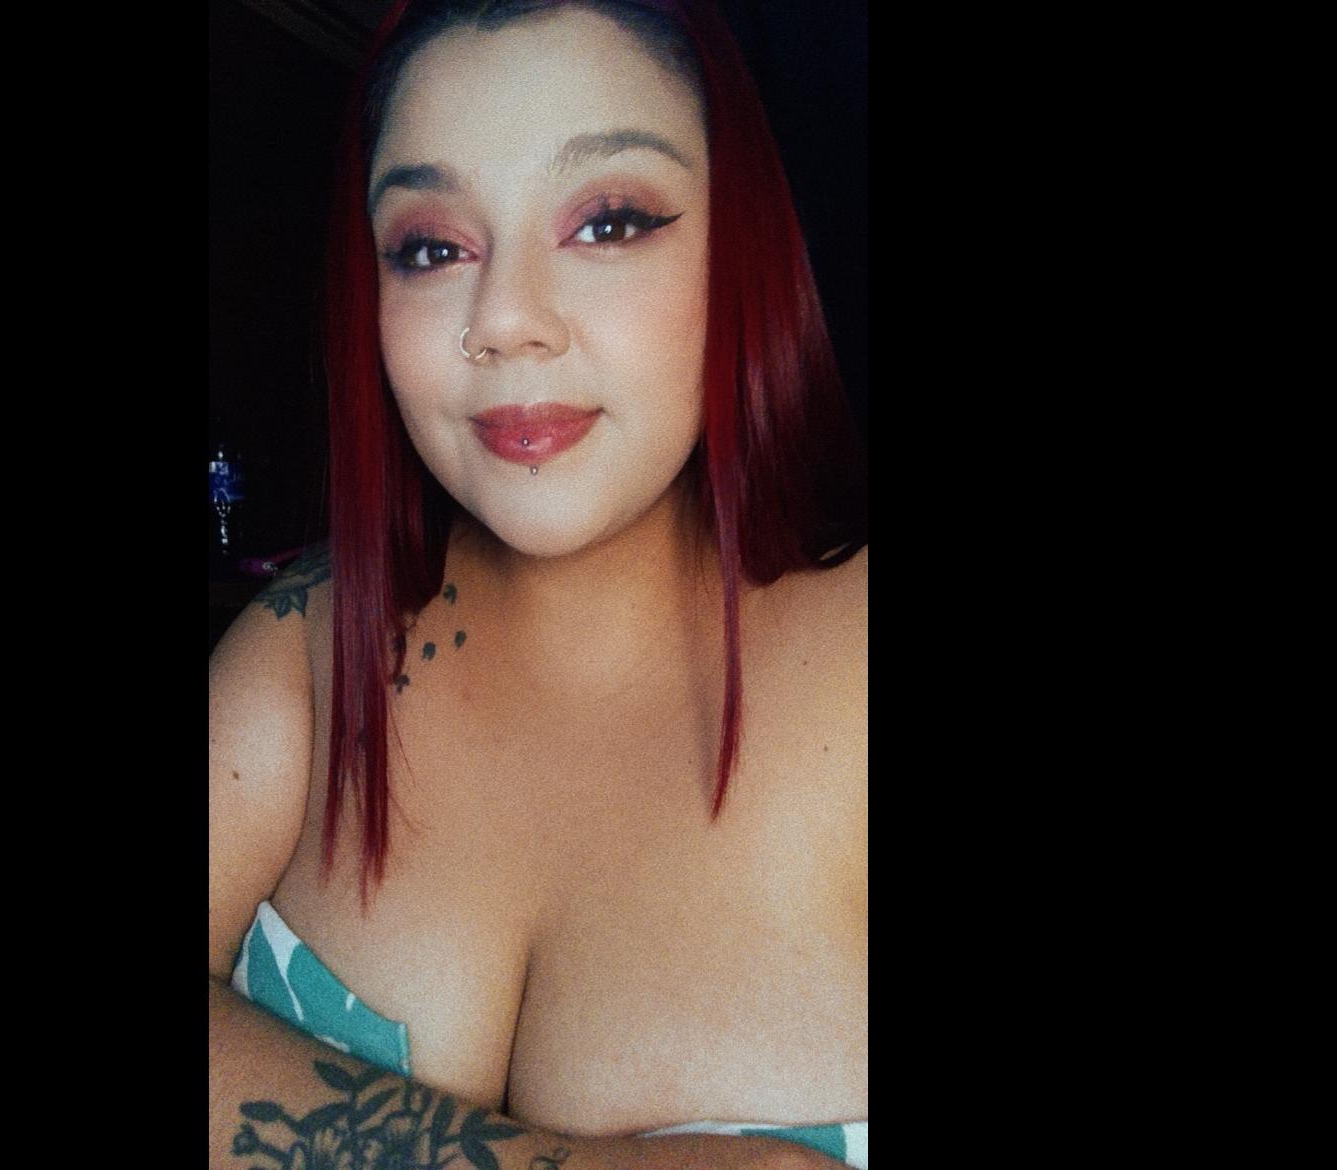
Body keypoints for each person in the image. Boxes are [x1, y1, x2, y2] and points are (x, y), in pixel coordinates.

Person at [209, 2, 867, 1168]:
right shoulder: (299, 651)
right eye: (432, 248)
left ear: (741, 246)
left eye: (610, 222)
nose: (506, 322)